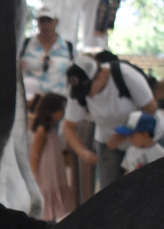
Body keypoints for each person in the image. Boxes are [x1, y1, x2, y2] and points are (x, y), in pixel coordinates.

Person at [62, 53, 158, 192]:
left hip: (143, 136)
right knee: (110, 191)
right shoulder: (77, 90)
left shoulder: (125, 75)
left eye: (88, 89)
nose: (86, 95)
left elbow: (151, 109)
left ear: (99, 76)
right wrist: (83, 152)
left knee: (148, 187)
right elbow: (69, 127)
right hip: (108, 142)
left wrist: (126, 134)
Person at [29, 92, 74, 221]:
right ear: (51, 110)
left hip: (55, 170)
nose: (63, 113)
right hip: (46, 171)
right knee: (48, 198)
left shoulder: (53, 129)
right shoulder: (42, 130)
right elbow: (35, 154)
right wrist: (35, 174)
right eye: (61, 109)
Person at [20, 6, 74, 100]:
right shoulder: (25, 45)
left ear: (56, 21)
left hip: (57, 103)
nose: (45, 24)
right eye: (42, 21)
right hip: (29, 102)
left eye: (49, 20)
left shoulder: (68, 48)